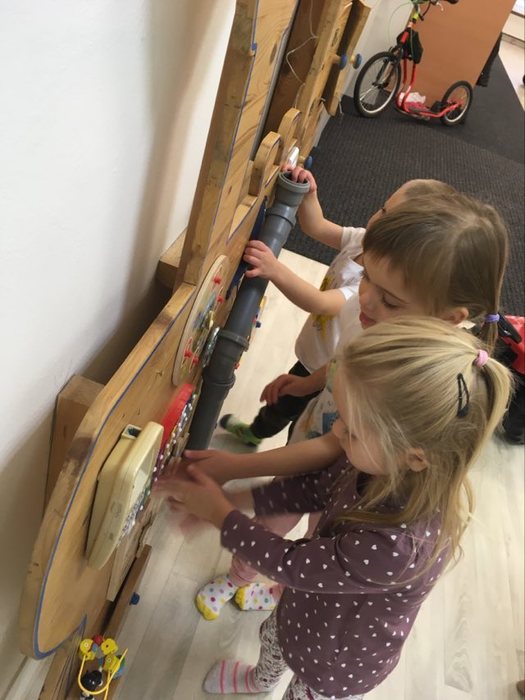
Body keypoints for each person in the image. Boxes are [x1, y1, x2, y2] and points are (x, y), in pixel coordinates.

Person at [190, 190, 510, 620]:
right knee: (287, 525)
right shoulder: (386, 329)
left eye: (390, 299)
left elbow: (332, 447)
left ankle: (268, 586)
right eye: (367, 277)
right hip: (330, 452)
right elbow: (343, 364)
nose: (366, 297)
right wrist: (309, 384)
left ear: (451, 317)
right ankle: (245, 578)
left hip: (339, 471)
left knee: (305, 536)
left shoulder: (406, 391)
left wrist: (234, 470)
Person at [154, 318, 512, 699]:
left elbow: (291, 563)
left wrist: (219, 515)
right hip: (306, 606)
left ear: (415, 457)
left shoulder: (399, 547)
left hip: (336, 664)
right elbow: (314, 489)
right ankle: (261, 681)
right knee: (273, 641)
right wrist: (234, 499)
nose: (337, 432)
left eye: (351, 429)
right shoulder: (377, 462)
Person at [220, 168, 455, 446]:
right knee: (282, 403)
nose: (378, 222)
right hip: (315, 354)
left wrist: (274, 269)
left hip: (324, 369)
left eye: (391, 223)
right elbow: (317, 226)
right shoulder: (361, 240)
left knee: (297, 417)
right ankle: (257, 432)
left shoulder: (372, 286)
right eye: (383, 210)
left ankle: (269, 442)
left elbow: (319, 302)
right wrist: (309, 196)